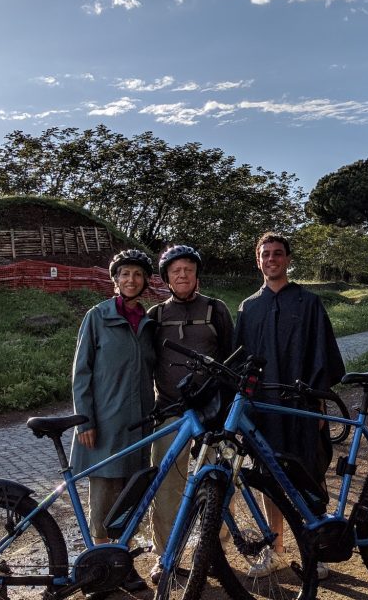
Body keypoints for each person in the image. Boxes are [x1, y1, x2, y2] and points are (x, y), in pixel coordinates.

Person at [233, 232, 346, 579]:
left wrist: (318, 409)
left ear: (288, 259)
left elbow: (323, 359)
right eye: (265, 254)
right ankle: (276, 551)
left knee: (308, 476)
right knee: (269, 479)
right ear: (258, 260)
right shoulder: (249, 308)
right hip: (264, 411)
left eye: (277, 253)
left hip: (301, 407)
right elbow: (241, 365)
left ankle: (318, 552)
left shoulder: (308, 302)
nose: (271, 259)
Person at [70, 248, 156, 593]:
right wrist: (84, 420)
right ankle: (97, 566)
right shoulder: (97, 317)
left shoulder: (150, 323)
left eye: (137, 274)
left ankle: (123, 564)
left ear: (145, 280)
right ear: (115, 280)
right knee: (104, 497)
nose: (131, 280)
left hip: (139, 425)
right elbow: (81, 372)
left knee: (131, 497)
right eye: (124, 274)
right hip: (104, 424)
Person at [146, 244, 233, 584]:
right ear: (166, 277)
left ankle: (216, 554)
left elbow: (231, 357)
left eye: (188, 269)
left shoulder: (216, 309)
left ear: (197, 274)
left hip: (212, 412)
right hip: (170, 409)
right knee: (166, 484)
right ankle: (165, 555)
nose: (182, 275)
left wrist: (226, 408)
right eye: (175, 270)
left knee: (219, 480)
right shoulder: (156, 315)